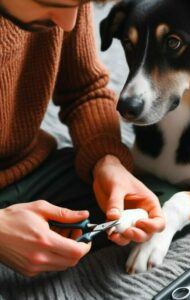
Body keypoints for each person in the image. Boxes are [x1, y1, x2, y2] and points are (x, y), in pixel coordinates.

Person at [0, 0, 165, 277]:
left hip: (28, 167)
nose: (68, 24)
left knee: (151, 205)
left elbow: (85, 90)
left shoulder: (68, 6)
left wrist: (107, 162)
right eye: (49, 3)